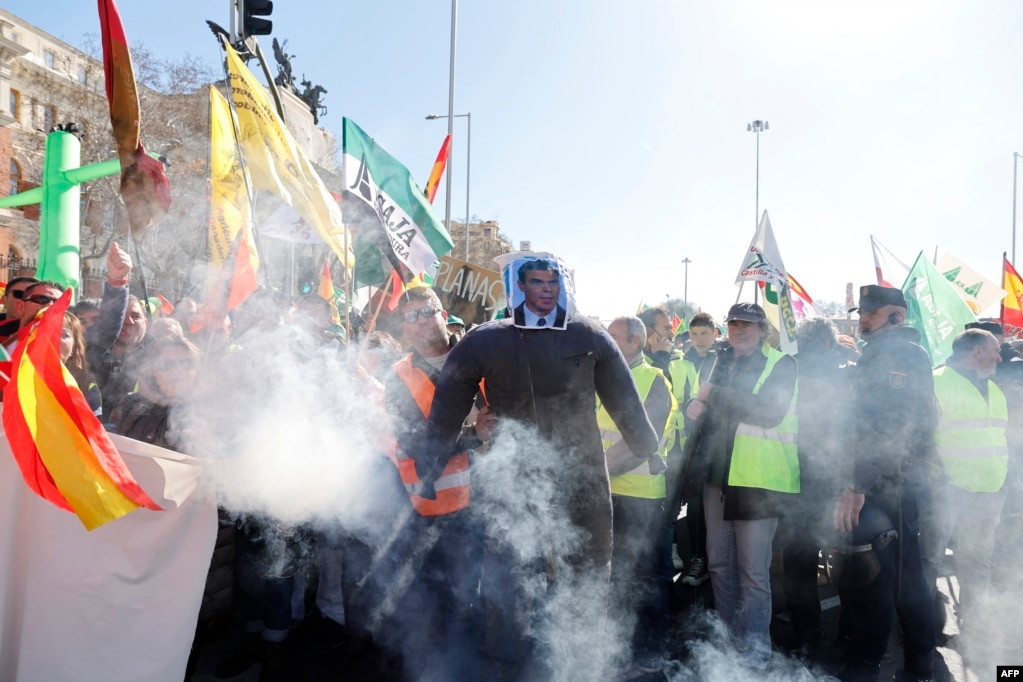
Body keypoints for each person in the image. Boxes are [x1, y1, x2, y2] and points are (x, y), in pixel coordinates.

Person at [415, 259, 658, 679]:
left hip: (581, 476)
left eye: (552, 282)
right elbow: (448, 405)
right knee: (507, 575)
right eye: (537, 282)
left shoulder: (589, 336)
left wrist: (647, 445)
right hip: (514, 475)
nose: (546, 289)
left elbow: (626, 400)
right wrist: (429, 463)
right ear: (520, 287)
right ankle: (505, 663)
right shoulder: (485, 341)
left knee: (586, 575)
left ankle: (580, 664)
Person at [681, 302, 799, 668]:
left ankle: (756, 654)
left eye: (747, 325)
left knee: (752, 573)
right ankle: (728, 645)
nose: (739, 331)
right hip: (716, 480)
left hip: (759, 484)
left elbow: (768, 411)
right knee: (718, 566)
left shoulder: (781, 363)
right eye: (733, 325)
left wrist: (712, 396)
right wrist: (692, 405)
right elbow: (701, 405)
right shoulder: (718, 361)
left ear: (763, 330)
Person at [832, 285, 938, 682]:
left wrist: (857, 485)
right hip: (885, 481)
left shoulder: (901, 354)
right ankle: (913, 664)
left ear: (897, 317)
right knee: (897, 574)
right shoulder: (880, 354)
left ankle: (871, 664)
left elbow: (889, 428)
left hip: (889, 484)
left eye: (874, 312)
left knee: (881, 578)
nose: (864, 316)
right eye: (863, 310)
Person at [381, 286, 484, 680]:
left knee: (497, 597)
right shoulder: (398, 378)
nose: (423, 321)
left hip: (498, 501)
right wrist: (477, 434)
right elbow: (415, 445)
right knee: (446, 600)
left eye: (428, 311)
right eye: (412, 317)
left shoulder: (485, 354)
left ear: (445, 314)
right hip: (439, 510)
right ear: (404, 329)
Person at [601, 315, 676, 675]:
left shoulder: (654, 380)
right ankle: (619, 650)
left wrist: (595, 473)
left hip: (642, 497)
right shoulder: (600, 376)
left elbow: (640, 445)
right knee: (616, 579)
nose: (607, 342)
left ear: (635, 342)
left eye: (613, 337)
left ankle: (650, 654)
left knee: (648, 578)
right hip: (608, 494)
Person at [927, 329, 1009, 656]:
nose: (1001, 358)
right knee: (929, 562)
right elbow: (923, 439)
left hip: (989, 492)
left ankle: (973, 633)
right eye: (995, 351)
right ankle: (924, 631)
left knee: (977, 564)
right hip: (948, 491)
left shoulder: (993, 389)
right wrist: (938, 479)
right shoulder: (937, 382)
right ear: (976, 351)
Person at [776, 318, 851, 656]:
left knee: (799, 559)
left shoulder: (788, 368)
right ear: (829, 342)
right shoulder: (845, 372)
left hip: (796, 473)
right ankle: (849, 630)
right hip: (834, 476)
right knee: (846, 553)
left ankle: (808, 632)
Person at [673, 312, 720, 587]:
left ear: (715, 333)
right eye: (694, 334)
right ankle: (685, 555)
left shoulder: (723, 360)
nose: (699, 339)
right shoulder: (678, 363)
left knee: (702, 506)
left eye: (705, 333)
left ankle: (703, 561)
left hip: (711, 446)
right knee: (681, 504)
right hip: (681, 445)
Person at [61, 312, 102, 415]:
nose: (54, 338)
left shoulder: (87, 383)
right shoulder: (18, 375)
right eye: (48, 331)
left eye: (64, 334)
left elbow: (93, 427)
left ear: (74, 348)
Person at [512, 258, 567, 327]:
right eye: (537, 283)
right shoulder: (508, 318)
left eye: (553, 282)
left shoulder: (573, 323)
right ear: (522, 286)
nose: (548, 289)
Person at [0, 275, 39, 343]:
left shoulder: (39, 335)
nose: (26, 300)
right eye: (20, 294)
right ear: (4, 300)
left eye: (34, 297)